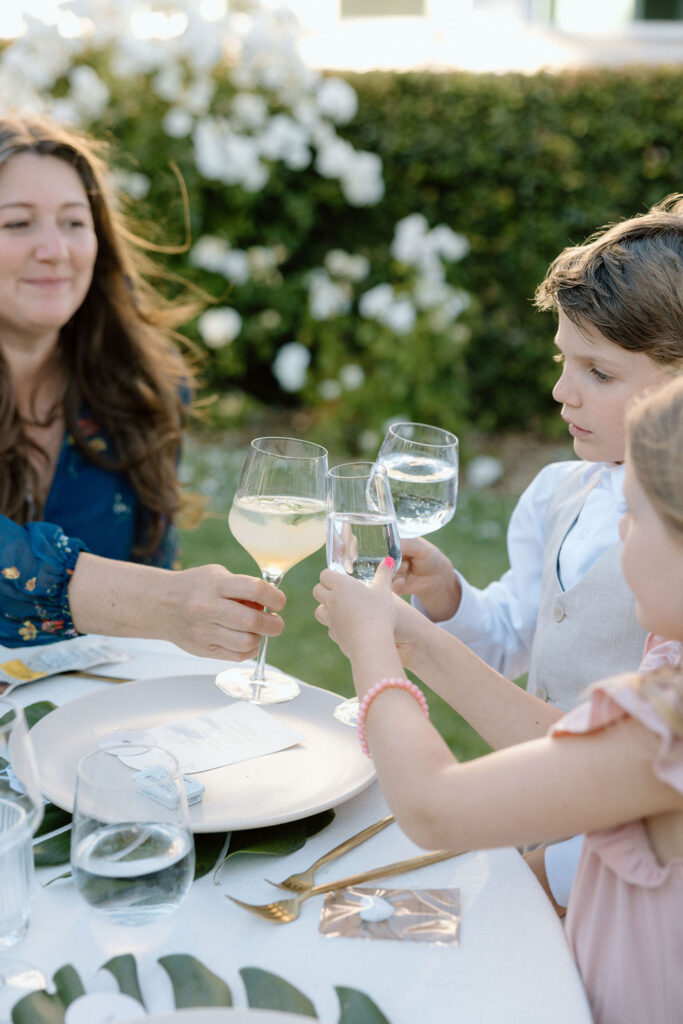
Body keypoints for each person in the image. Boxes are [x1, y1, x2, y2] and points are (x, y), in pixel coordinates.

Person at [313, 374, 683, 1024]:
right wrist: (412, 634)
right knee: (339, 922)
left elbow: (431, 807)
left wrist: (369, 646)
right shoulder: (668, 649)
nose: (617, 531)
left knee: (336, 945)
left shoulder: (669, 719)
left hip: (577, 998)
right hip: (560, 919)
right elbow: (571, 763)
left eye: (634, 513)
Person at [391, 195, 683, 907]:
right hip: (527, 815)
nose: (561, 393)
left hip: (618, 865)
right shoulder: (558, 493)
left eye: (598, 373)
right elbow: (514, 641)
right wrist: (447, 597)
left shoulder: (671, 552)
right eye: (563, 362)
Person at [0, 113, 285, 659]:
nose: (55, 251)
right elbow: (158, 596)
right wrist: (163, 601)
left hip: (80, 722)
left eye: (74, 223)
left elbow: (154, 565)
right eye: (18, 224)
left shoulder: (142, 385)